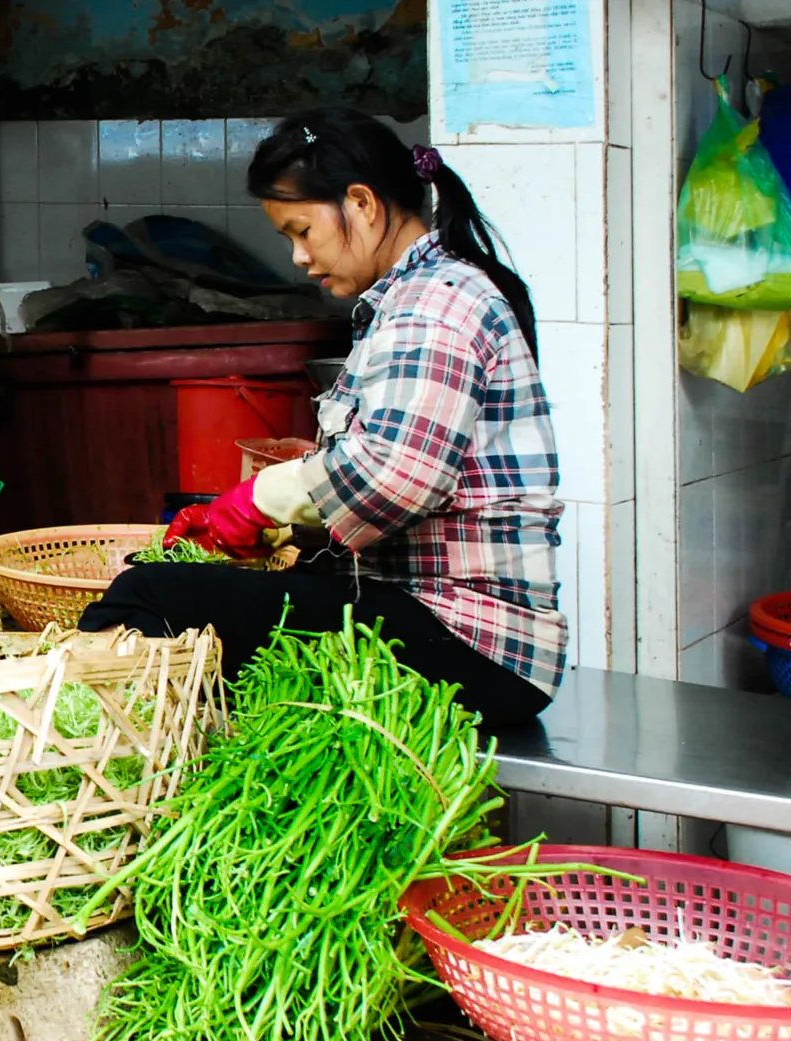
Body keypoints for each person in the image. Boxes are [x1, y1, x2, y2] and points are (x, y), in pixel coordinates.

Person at [80, 106, 564, 727]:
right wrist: (282, 530)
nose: (299, 258)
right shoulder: (413, 298)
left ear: (361, 203)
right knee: (180, 594)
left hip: (468, 645)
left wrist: (255, 501)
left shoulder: (434, 305)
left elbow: (395, 477)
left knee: (148, 596)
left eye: (302, 230)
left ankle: (116, 783)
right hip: (432, 623)